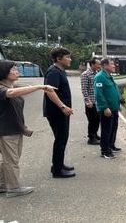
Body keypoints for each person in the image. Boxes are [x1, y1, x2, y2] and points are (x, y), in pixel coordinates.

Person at [0, 60, 56, 197]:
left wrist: (23, 127)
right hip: (6, 131)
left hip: (14, 129)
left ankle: (2, 184)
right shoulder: (2, 89)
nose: (16, 70)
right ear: (4, 73)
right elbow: (11, 93)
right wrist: (39, 87)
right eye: (13, 69)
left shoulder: (9, 86)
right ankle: (13, 188)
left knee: (10, 159)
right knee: (11, 160)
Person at [43, 47, 75, 179]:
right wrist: (63, 107)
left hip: (61, 111)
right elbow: (50, 91)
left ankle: (59, 164)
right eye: (67, 57)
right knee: (60, 139)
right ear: (58, 58)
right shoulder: (53, 72)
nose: (70, 59)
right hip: (56, 112)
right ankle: (57, 170)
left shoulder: (60, 71)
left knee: (62, 138)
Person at [94, 58, 122, 159]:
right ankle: (105, 151)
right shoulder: (100, 77)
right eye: (111, 64)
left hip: (114, 108)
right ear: (105, 65)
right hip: (107, 109)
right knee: (106, 130)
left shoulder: (108, 76)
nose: (114, 66)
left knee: (113, 128)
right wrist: (105, 107)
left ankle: (111, 145)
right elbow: (98, 94)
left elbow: (114, 89)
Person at [80, 58, 101, 145]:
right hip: (91, 102)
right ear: (92, 64)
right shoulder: (85, 74)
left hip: (97, 102)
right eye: (98, 64)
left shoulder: (97, 73)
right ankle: (91, 138)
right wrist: (88, 101)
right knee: (92, 120)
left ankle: (95, 134)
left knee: (97, 119)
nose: (99, 66)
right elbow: (84, 89)